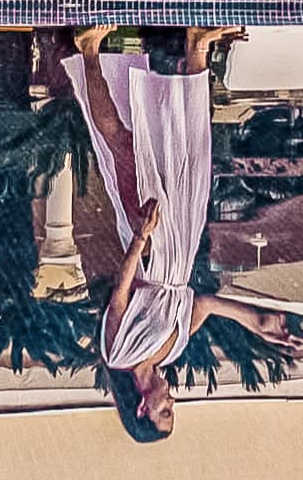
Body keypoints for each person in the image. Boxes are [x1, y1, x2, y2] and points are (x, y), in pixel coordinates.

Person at [73, 24, 226, 440]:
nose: (171, 403)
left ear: (143, 408)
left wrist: (141, 236)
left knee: (122, 145)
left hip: (152, 248)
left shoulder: (119, 354)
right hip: (181, 247)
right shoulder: (172, 351)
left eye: (165, 413)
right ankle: (197, 49)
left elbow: (120, 294)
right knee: (191, 154)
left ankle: (89, 51)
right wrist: (268, 323)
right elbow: (207, 305)